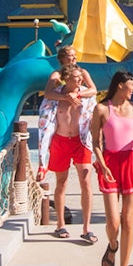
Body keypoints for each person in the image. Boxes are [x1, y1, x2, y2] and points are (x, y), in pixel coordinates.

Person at [91, 71, 133, 266]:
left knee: (128, 219)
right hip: (109, 163)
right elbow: (95, 141)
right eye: (131, 85)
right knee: (113, 222)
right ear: (120, 85)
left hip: (131, 162)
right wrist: (102, 164)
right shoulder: (102, 109)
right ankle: (112, 245)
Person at [37, 64, 98, 242]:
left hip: (80, 141)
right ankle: (60, 224)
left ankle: (87, 227)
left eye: (80, 77)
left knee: (86, 182)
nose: (79, 80)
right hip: (60, 140)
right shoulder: (55, 96)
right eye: (75, 78)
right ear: (66, 79)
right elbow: (46, 113)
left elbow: (93, 96)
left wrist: (78, 95)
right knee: (61, 182)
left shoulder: (85, 95)